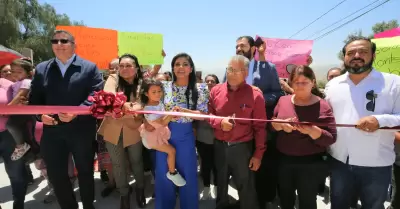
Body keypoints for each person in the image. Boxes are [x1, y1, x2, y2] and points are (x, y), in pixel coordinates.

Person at [29, 30, 104, 209]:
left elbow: (96, 95)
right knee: (56, 174)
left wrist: (76, 112)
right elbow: (34, 99)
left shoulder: (89, 67)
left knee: (85, 172)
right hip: (52, 131)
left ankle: (88, 205)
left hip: (81, 130)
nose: (59, 44)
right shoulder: (42, 68)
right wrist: (40, 116)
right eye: (55, 41)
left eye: (64, 41)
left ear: (73, 44)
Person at [325, 37, 400, 209]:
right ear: (344, 58)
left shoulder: (393, 82)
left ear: (373, 55)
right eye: (351, 53)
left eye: (363, 51)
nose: (356, 55)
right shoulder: (333, 85)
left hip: (377, 164)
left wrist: (380, 120)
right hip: (339, 162)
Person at [144, 53, 209, 209]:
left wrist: (183, 111)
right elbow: (145, 88)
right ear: (172, 68)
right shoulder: (164, 87)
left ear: (191, 68)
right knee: (163, 174)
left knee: (188, 175)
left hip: (185, 136)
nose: (181, 67)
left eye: (185, 64)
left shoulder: (200, 88)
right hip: (163, 135)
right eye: (177, 64)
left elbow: (203, 115)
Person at [270, 65, 336, 209]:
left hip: (310, 164)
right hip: (284, 161)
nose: (300, 86)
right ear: (291, 83)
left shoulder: (323, 106)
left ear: (313, 82)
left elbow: (331, 138)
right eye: (296, 82)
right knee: (285, 199)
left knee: (307, 201)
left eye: (304, 82)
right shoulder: (283, 101)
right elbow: (272, 123)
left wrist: (312, 131)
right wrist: (280, 125)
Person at [209, 55, 267, 209]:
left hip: (242, 148)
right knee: (220, 184)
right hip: (219, 146)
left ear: (246, 73)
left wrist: (258, 154)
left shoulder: (255, 94)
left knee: (246, 187)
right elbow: (208, 115)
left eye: (237, 70)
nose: (232, 73)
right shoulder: (215, 91)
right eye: (230, 69)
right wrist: (219, 122)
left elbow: (260, 127)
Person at [234, 36, 283, 208]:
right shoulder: (232, 70)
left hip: (263, 130)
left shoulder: (267, 68)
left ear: (253, 49)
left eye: (243, 46)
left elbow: (278, 94)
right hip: (239, 132)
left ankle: (267, 200)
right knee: (244, 171)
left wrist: (258, 98)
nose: (239, 49)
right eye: (237, 46)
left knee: (264, 168)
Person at [98, 54, 147, 209]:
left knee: (136, 162)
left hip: (134, 128)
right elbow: (108, 96)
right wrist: (128, 105)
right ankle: (124, 195)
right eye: (122, 66)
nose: (124, 69)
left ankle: (140, 189)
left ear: (137, 68)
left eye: (128, 65)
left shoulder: (143, 83)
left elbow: (143, 104)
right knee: (117, 164)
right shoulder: (113, 78)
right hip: (112, 129)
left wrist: (123, 106)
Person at [139, 79, 186, 186]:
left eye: (159, 91)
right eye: (154, 92)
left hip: (158, 134)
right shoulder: (149, 108)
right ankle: (172, 173)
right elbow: (163, 123)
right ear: (146, 94)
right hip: (152, 138)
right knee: (172, 151)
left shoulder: (158, 103)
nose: (157, 94)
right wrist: (171, 113)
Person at [0, 77, 29, 209]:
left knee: (16, 174)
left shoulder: (8, 85)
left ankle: (18, 205)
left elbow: (22, 102)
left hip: (9, 135)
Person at [195, 74, 219, 200]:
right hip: (202, 137)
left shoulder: (221, 97)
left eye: (213, 81)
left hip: (217, 137)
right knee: (205, 164)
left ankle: (215, 187)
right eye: (207, 81)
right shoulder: (199, 97)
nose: (210, 83)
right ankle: (206, 188)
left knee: (216, 164)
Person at [6, 59, 34, 161]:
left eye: (19, 72)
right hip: (19, 109)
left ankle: (21, 145)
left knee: (11, 124)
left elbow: (20, 95)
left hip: (22, 109)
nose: (15, 74)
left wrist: (8, 108)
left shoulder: (26, 81)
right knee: (21, 129)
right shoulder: (17, 82)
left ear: (28, 73)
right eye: (13, 71)